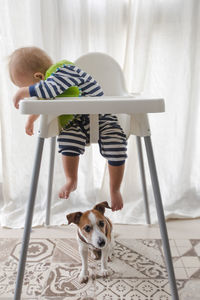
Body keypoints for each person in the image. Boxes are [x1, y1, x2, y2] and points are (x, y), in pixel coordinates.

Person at [9, 46, 127, 211]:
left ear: (39, 77)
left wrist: (23, 92)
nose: (32, 94)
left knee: (116, 144)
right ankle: (71, 179)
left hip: (102, 118)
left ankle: (114, 189)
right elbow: (43, 101)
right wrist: (31, 120)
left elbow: (47, 90)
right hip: (76, 121)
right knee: (67, 140)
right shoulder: (48, 86)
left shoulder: (64, 71)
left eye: (30, 88)